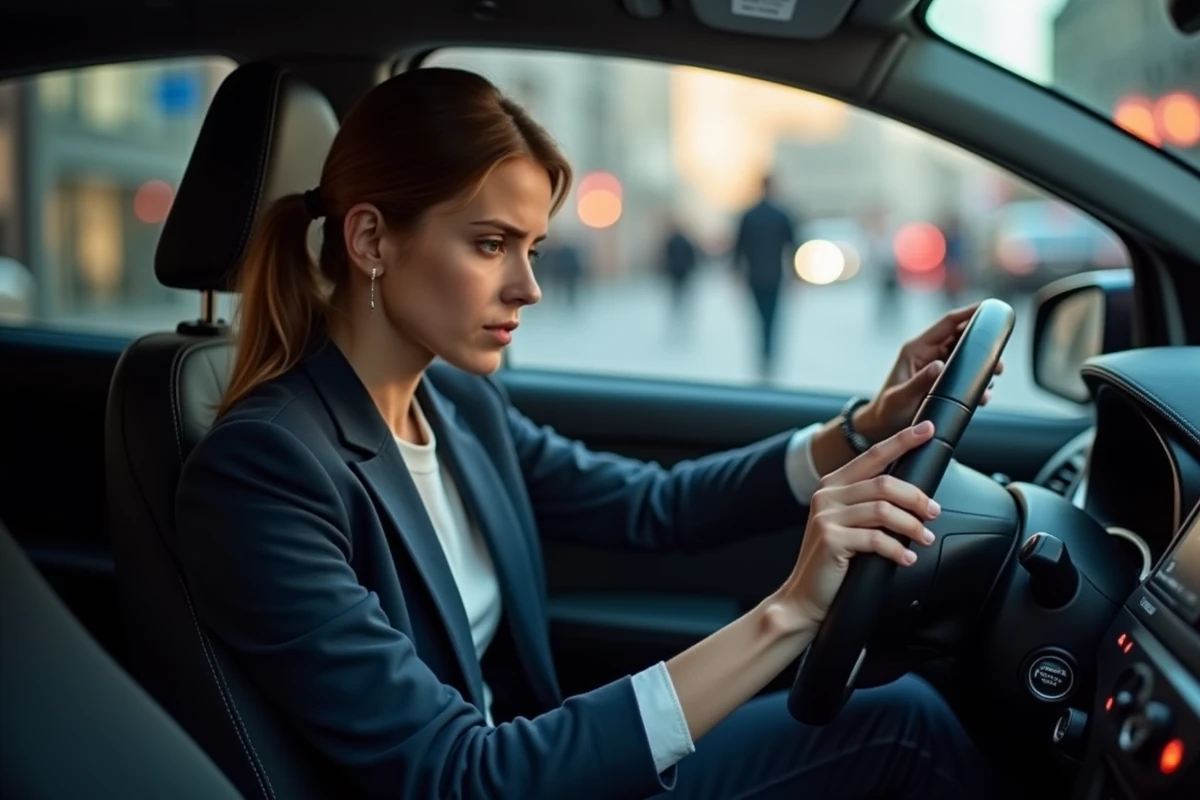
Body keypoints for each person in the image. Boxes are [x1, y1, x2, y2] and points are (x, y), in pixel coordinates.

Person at [176, 67, 1001, 800]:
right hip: (506, 777)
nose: (530, 286)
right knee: (901, 729)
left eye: (532, 247)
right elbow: (459, 776)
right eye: (491, 244)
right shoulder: (266, 470)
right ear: (370, 240)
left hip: (541, 758)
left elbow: (652, 506)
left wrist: (860, 426)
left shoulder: (458, 405)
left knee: (903, 713)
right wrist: (789, 612)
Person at [732, 174, 797, 379]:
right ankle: (768, 356)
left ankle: (763, 355)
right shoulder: (782, 214)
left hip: (755, 276)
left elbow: (739, 249)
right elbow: (793, 248)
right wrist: (796, 278)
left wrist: (737, 276)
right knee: (772, 318)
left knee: (759, 317)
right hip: (775, 276)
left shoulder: (749, 215)